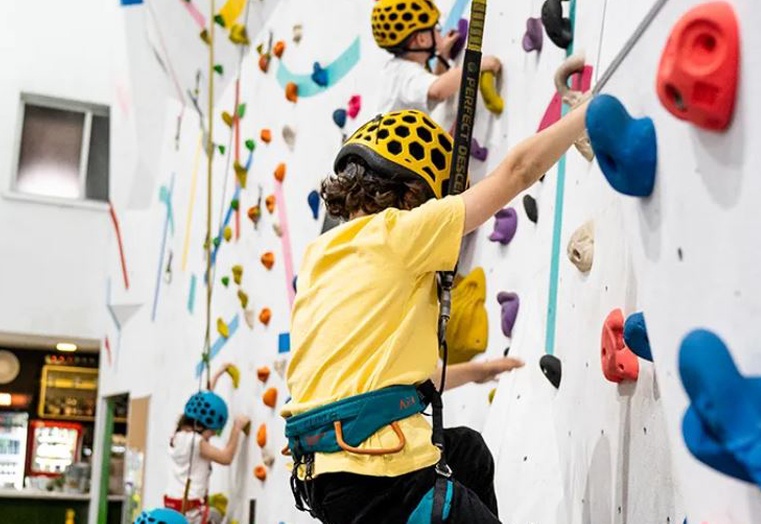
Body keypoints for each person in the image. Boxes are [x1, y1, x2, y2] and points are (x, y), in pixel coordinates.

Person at [282, 95, 592, 524]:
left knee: (466, 452)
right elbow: (518, 171)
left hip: (326, 477)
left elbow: (375, 378)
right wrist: (588, 113)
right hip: (378, 475)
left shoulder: (320, 258)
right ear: (412, 193)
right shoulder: (398, 233)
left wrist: (474, 373)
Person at [372, 0, 501, 126]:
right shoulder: (404, 73)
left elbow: (434, 86)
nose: (440, 32)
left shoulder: (395, 70)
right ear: (422, 40)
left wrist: (442, 57)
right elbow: (437, 91)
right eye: (436, 28)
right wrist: (477, 66)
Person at [164, 364, 250, 524]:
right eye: (212, 431)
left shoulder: (178, 434)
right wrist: (237, 427)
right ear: (201, 426)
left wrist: (218, 373)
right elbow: (226, 458)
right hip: (190, 510)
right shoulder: (196, 442)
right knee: (217, 516)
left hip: (172, 503)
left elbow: (204, 402)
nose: (212, 436)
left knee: (217, 512)